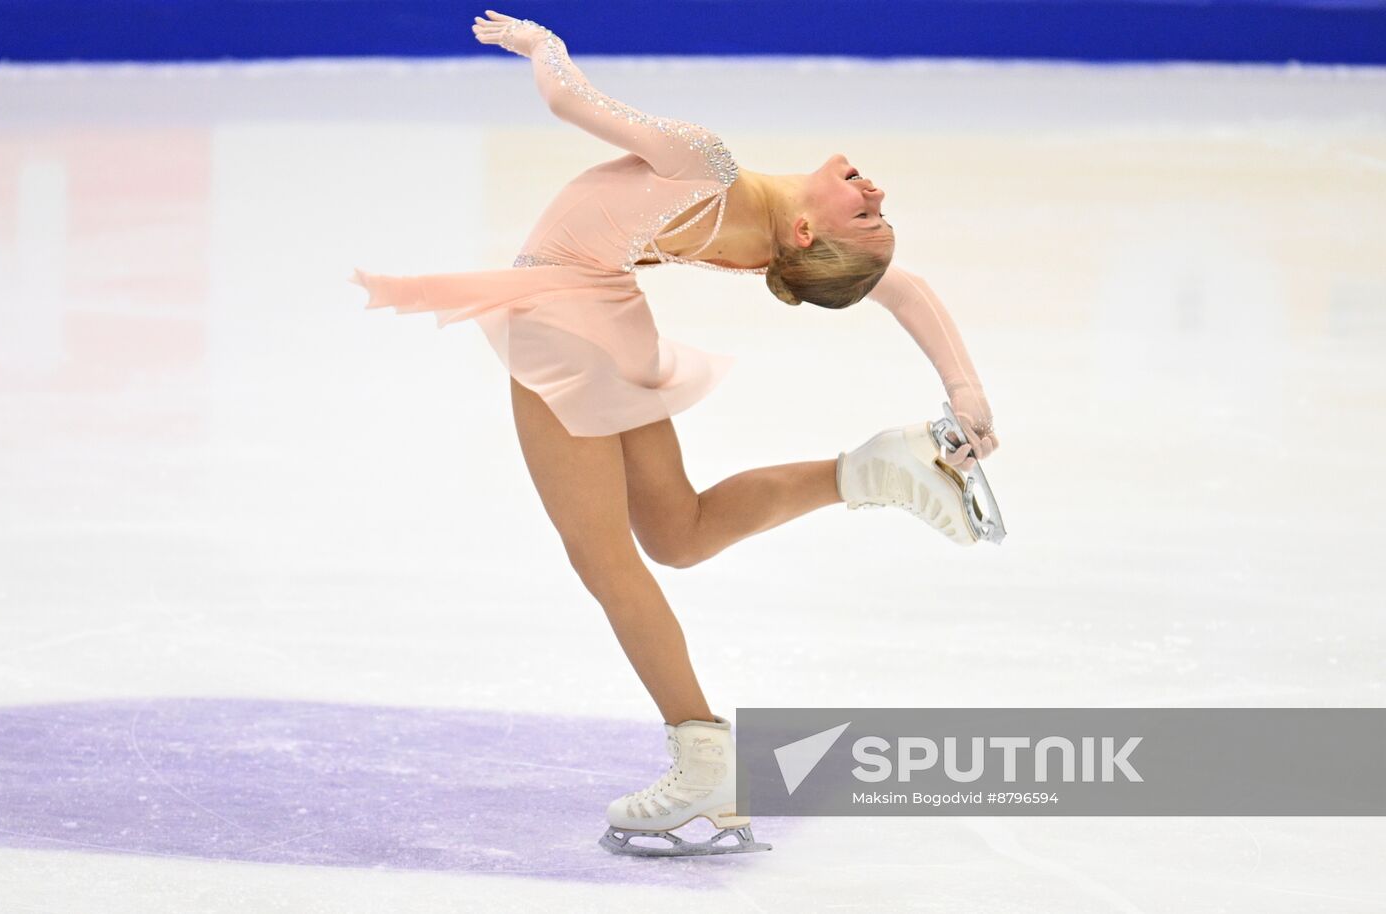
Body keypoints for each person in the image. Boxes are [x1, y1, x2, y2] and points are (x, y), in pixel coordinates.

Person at [348, 10, 1000, 857]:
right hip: (607, 314)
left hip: (563, 321)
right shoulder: (767, 240)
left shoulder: (705, 162)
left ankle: (701, 757)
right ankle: (872, 472)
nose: (876, 194)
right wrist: (965, 391)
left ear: (807, 233)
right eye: (874, 209)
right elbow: (900, 287)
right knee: (677, 533)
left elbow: (566, 98)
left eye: (865, 214)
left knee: (604, 558)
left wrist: (544, 46)